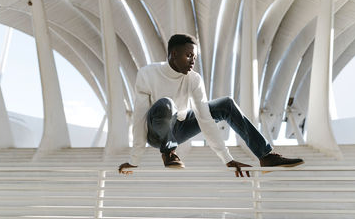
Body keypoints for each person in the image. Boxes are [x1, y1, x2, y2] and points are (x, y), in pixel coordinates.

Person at [118, 34, 303, 176]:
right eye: (188, 55)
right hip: (155, 132)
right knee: (166, 104)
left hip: (179, 128)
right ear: (174, 54)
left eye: (195, 58)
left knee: (226, 104)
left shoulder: (193, 79)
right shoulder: (147, 74)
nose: (192, 61)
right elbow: (140, 117)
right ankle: (168, 153)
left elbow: (205, 118)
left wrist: (227, 159)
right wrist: (134, 159)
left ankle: (266, 156)